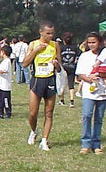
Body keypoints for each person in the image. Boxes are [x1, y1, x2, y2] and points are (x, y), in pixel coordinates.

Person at [23, 21, 61, 151]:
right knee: (33, 113)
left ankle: (44, 140)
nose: (50, 36)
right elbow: (24, 64)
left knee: (49, 113)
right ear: (41, 32)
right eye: (48, 33)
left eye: (52, 33)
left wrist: (56, 65)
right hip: (37, 80)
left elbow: (60, 68)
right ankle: (33, 131)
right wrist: (35, 51)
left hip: (50, 80)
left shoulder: (55, 45)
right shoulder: (33, 44)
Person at [75, 33, 106, 155]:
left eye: (94, 42)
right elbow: (80, 74)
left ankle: (96, 144)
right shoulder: (84, 56)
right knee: (87, 115)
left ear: (100, 42)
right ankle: (86, 143)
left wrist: (100, 75)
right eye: (89, 42)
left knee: (98, 118)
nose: (91, 45)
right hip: (89, 91)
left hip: (103, 92)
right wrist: (89, 79)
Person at [59, 32, 81, 107]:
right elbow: (80, 54)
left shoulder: (61, 47)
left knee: (62, 84)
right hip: (72, 67)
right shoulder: (75, 47)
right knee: (71, 85)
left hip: (63, 67)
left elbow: (57, 57)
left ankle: (62, 100)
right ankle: (71, 101)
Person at [0, 45, 13, 119]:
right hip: (0, 84)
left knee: (6, 100)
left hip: (5, 85)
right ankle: (0, 113)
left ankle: (8, 113)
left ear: (3, 52)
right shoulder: (3, 61)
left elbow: (4, 71)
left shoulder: (7, 61)